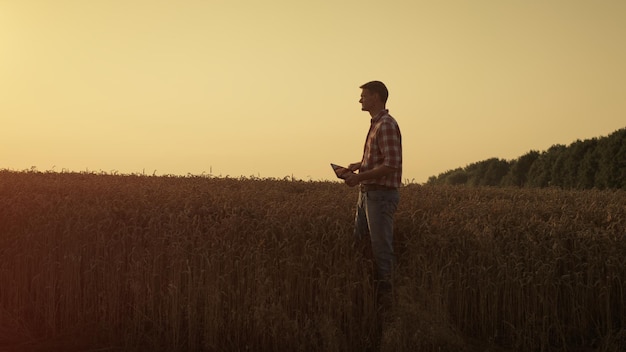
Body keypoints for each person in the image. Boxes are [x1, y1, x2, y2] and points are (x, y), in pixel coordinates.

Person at [344, 80, 402, 297]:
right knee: (360, 244)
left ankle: (389, 303)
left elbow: (391, 164)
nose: (360, 99)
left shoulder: (385, 125)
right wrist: (360, 165)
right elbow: (381, 158)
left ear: (376, 97)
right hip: (369, 195)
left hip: (380, 196)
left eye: (364, 95)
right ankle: (367, 294)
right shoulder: (376, 123)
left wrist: (359, 178)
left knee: (381, 252)